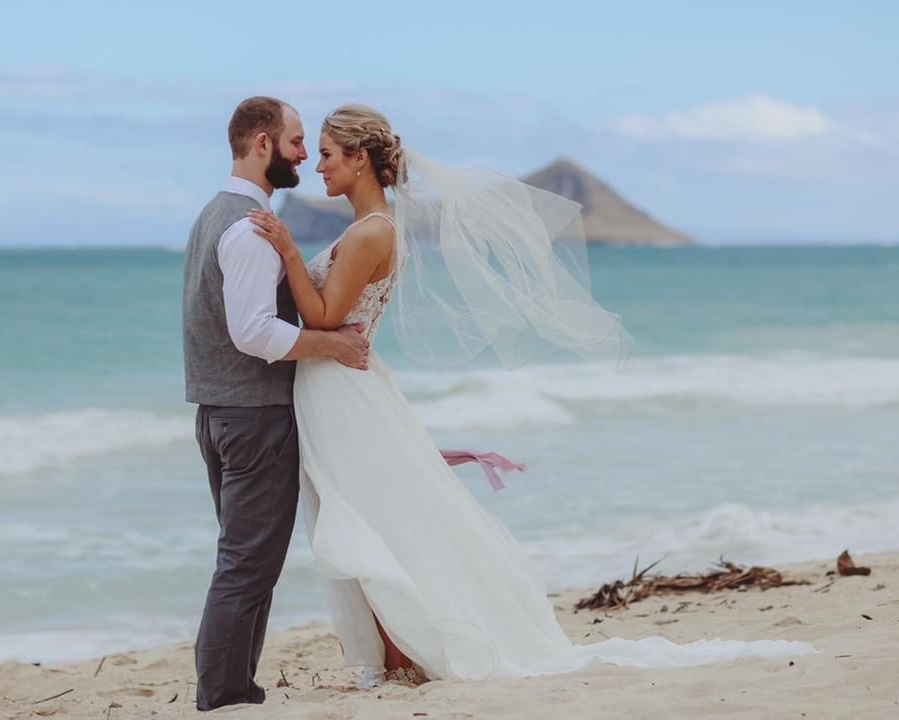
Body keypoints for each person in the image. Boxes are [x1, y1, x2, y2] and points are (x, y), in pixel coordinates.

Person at [247, 103, 815, 687]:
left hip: (342, 391)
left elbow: (323, 314)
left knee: (367, 523)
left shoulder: (370, 233)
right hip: (338, 387)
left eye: (326, 153)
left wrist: (289, 252)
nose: (316, 165)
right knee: (372, 517)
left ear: (359, 158)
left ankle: (401, 658)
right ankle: (397, 656)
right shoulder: (368, 229)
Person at [181, 96, 370, 711]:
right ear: (262, 144)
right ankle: (223, 694)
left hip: (218, 414)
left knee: (246, 560)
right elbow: (253, 333)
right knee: (246, 564)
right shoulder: (248, 228)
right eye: (294, 142)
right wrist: (333, 345)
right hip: (253, 419)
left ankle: (237, 684)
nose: (301, 155)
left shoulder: (213, 215)